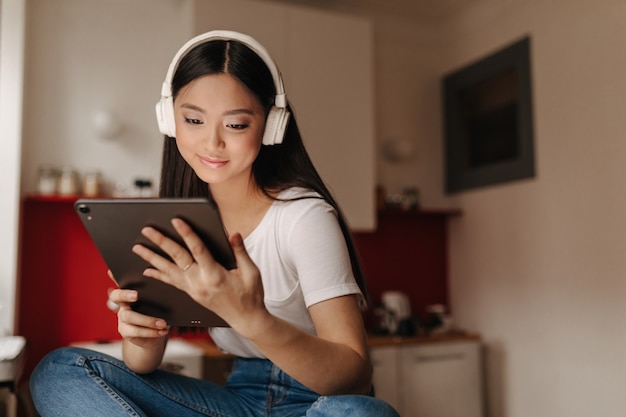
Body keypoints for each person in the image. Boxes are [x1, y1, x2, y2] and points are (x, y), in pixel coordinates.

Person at [29, 30, 400, 417]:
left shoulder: (303, 216)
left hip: (317, 404)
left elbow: (354, 378)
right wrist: (143, 336)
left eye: (236, 125)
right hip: (237, 399)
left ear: (271, 126)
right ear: (170, 121)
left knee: (361, 413)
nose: (212, 143)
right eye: (193, 120)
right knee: (58, 371)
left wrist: (251, 318)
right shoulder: (179, 225)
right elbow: (142, 366)